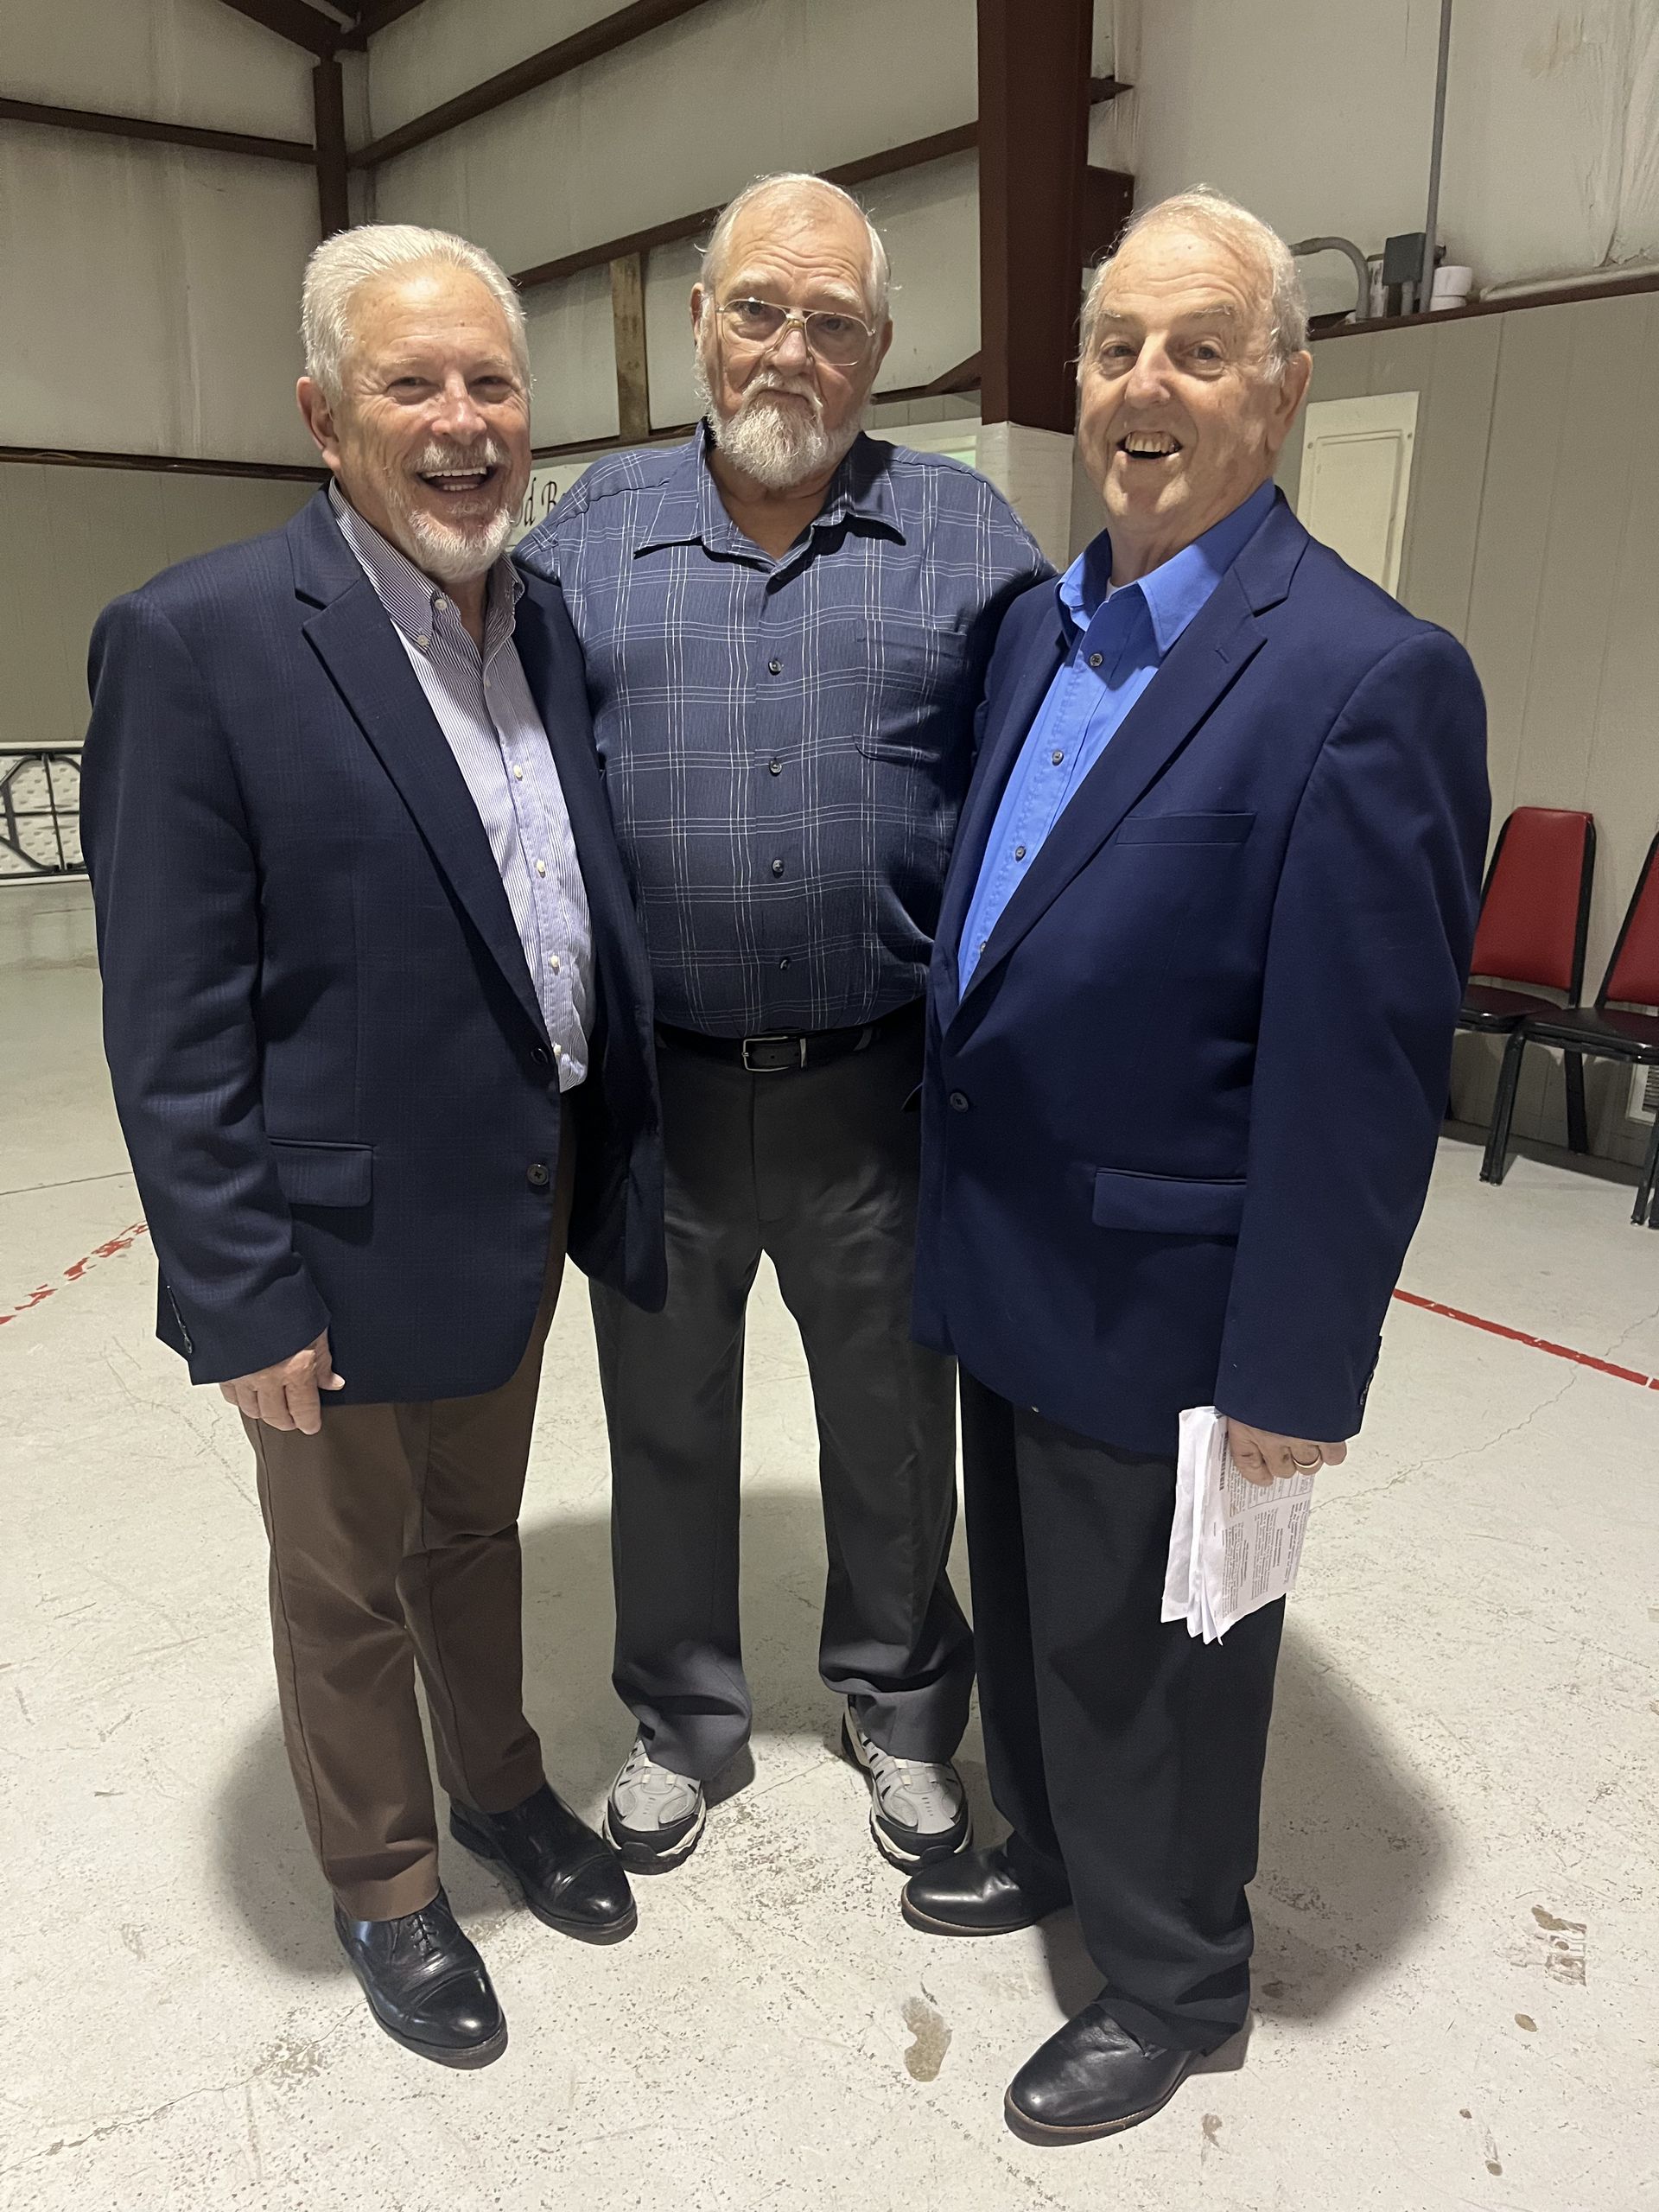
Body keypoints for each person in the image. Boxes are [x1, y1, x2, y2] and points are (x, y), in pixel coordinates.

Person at [902, 188, 1489, 2142]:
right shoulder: (1039, 629)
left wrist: (1293, 1373)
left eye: (1198, 350)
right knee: (1048, 1607)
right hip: (1009, 1252)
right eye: (1113, 350)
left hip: (1175, 1290)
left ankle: (1178, 1979)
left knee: (1168, 1658)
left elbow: (1364, 1072)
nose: (1143, 387)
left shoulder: (1363, 678)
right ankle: (1058, 1850)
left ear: (1284, 391)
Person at [80, 224, 665, 2070]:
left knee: (476, 1531)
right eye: (414, 382)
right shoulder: (200, 643)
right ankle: (388, 1878)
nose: (464, 419)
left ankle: (496, 1779)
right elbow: (168, 1018)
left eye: (492, 381)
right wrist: (237, 1285)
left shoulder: (540, 617)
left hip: (514, 1191)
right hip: (324, 1237)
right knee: (345, 1581)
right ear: (324, 416)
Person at [517, 173, 1052, 1876]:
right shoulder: (580, 544)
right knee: (664, 1415)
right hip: (659, 1099)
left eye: (833, 323)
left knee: (892, 1419)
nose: (792, 351)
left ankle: (899, 1702)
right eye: (760, 309)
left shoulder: (972, 538)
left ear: (880, 352)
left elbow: (1052, 794)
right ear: (698, 324)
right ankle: (682, 1718)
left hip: (877, 1093)